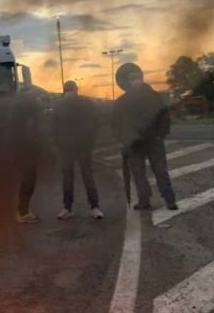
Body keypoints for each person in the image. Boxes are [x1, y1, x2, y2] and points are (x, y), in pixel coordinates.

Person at [112, 62, 178, 211]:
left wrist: (160, 135)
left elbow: (164, 117)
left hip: (152, 141)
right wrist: (126, 140)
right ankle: (146, 201)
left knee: (159, 171)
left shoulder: (153, 97)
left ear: (141, 79)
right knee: (139, 174)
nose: (135, 81)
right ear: (129, 81)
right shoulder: (124, 101)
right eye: (132, 78)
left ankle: (169, 199)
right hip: (136, 143)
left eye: (136, 78)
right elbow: (117, 124)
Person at [53, 81, 104, 220]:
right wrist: (91, 140)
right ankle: (94, 207)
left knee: (69, 178)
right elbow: (96, 121)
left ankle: (68, 208)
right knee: (87, 176)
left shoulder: (59, 105)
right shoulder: (86, 103)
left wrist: (58, 143)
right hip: (82, 146)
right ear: (77, 89)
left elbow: (53, 127)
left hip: (69, 147)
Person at [11, 91, 42, 223]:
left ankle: (24, 211)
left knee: (28, 182)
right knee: (28, 183)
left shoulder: (22, 115)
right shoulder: (26, 117)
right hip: (26, 153)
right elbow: (30, 135)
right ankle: (22, 213)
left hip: (26, 153)